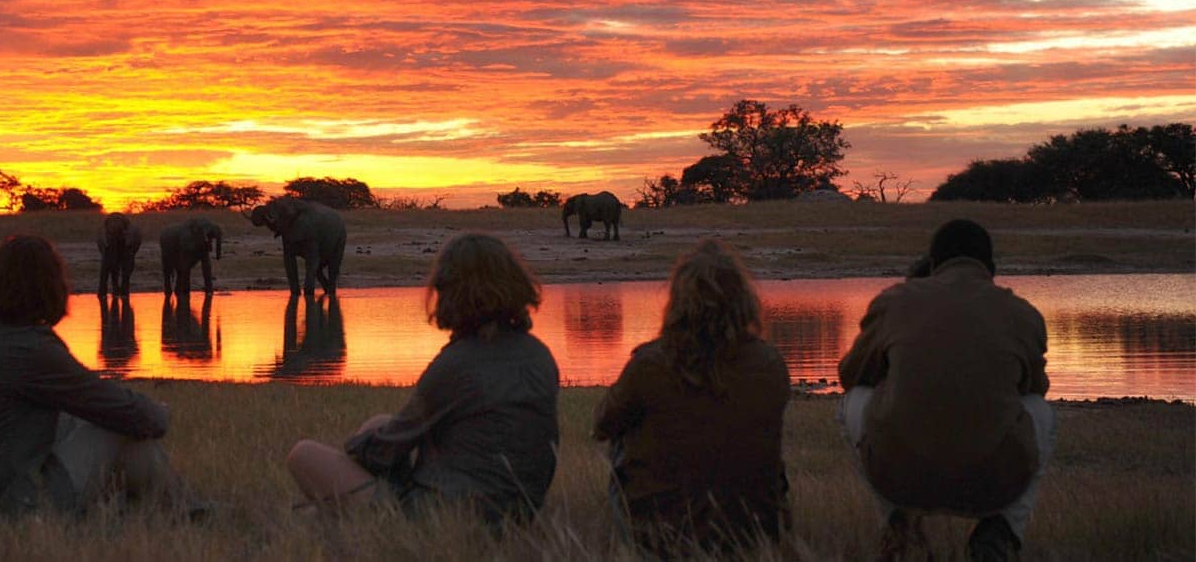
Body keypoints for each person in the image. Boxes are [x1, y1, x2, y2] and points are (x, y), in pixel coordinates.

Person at [0, 235, 193, 528]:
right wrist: (160, 411)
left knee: (80, 420)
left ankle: (165, 512)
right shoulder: (27, 346)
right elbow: (124, 411)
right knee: (120, 432)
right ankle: (189, 512)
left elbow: (85, 402)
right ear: (49, 286)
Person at [286, 232, 560, 525]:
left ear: (448, 288)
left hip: (452, 515)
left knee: (303, 455)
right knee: (379, 423)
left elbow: (385, 450)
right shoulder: (539, 354)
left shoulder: (457, 363)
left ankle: (332, 521)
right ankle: (325, 519)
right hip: (520, 510)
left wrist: (355, 449)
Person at [837, 219, 1054, 561]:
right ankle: (1002, 532)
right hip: (995, 483)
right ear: (992, 269)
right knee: (1040, 411)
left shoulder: (896, 301)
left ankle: (898, 523)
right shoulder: (1023, 314)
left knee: (855, 400)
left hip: (899, 478)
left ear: (933, 264)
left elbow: (851, 376)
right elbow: (1036, 388)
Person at [593, 238, 790, 557]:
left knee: (620, 442)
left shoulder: (650, 362)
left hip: (663, 529)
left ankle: (639, 547)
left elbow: (602, 425)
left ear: (677, 301)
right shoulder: (770, 363)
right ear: (744, 300)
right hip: (755, 528)